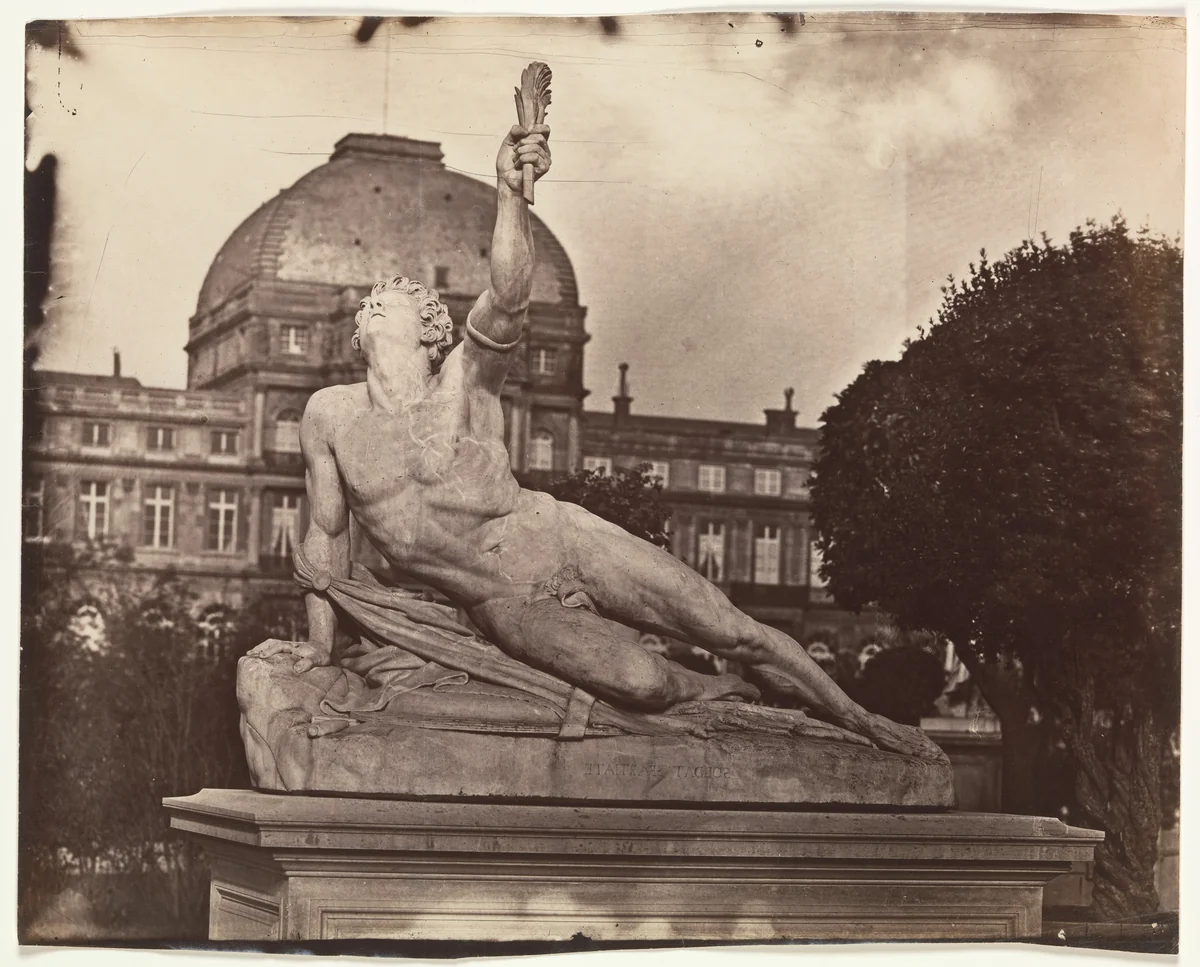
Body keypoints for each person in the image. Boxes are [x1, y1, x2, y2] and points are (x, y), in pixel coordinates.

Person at [248, 123, 944, 760]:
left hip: (562, 540)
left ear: (431, 328)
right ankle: (722, 696)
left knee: (731, 628)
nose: (375, 300)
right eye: (371, 302)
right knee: (642, 679)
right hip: (506, 604)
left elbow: (508, 292)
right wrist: (318, 647)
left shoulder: (467, 379)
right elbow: (325, 542)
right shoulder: (329, 415)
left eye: (391, 298)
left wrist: (509, 195)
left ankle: (864, 723)